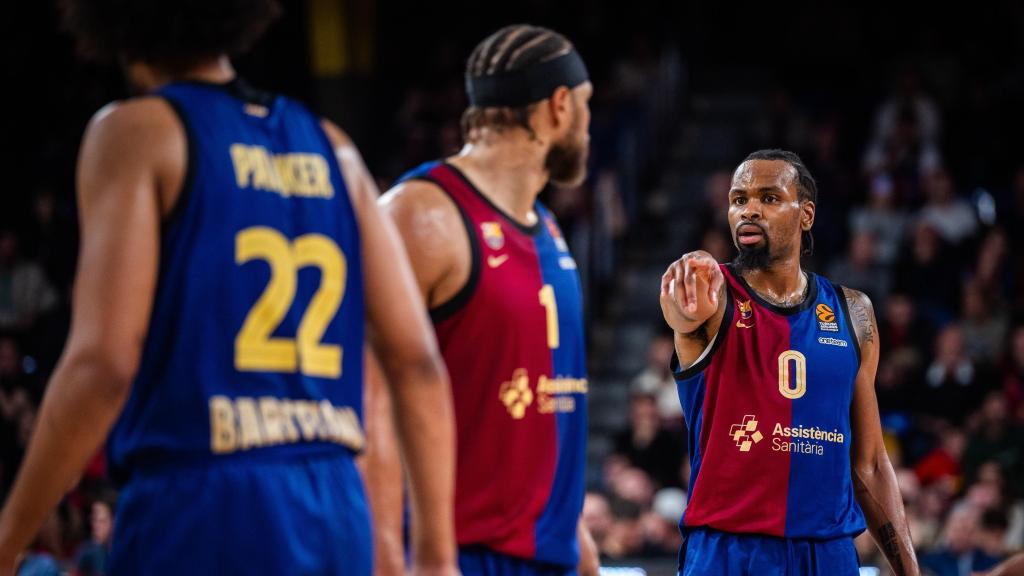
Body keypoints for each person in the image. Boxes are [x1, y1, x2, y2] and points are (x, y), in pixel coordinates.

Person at [0, 1, 457, 574]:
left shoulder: (134, 132)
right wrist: (438, 554)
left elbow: (105, 365)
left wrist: (10, 532)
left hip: (202, 498)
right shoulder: (332, 146)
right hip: (335, 503)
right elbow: (415, 359)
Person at [368, 24, 598, 576]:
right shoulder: (421, 215)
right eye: (587, 108)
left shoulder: (545, 226)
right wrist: (394, 555)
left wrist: (578, 541)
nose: (590, 129)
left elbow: (544, 415)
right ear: (560, 107)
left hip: (549, 555)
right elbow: (367, 398)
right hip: (454, 557)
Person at [660, 149, 919, 575]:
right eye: (739, 199)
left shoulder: (853, 312)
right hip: (730, 552)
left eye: (769, 198)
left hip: (828, 552)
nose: (750, 211)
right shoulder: (713, 296)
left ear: (806, 215)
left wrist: (910, 570)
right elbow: (682, 312)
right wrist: (686, 285)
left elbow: (870, 464)